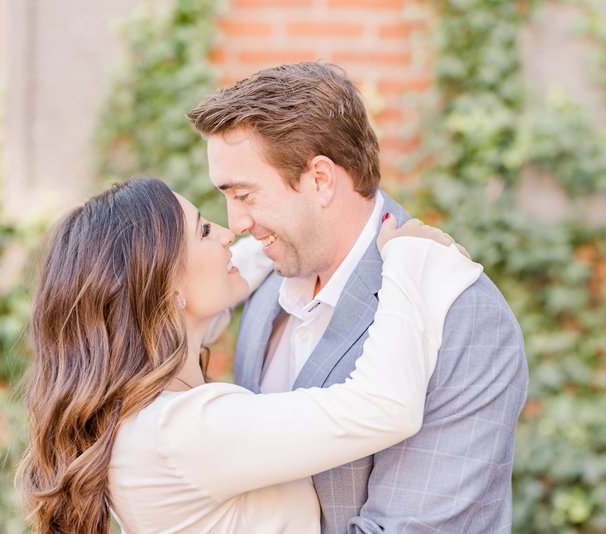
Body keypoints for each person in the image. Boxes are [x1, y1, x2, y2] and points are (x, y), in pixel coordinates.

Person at [16, 177, 480, 534]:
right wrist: (408, 261)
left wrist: (275, 244)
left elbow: (212, 296)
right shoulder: (184, 433)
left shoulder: (139, 417)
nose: (226, 231)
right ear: (167, 289)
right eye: (203, 230)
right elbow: (384, 408)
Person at [187, 61, 529, 533]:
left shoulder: (464, 317)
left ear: (321, 180)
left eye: (245, 195)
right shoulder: (269, 279)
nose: (237, 223)